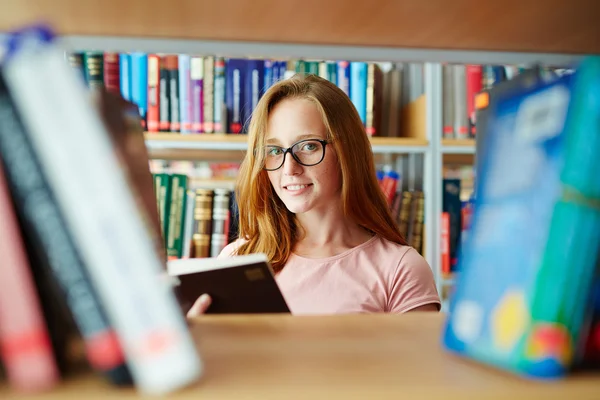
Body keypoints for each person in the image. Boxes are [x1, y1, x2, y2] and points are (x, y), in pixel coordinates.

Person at [188, 74, 441, 317]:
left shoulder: (400, 269)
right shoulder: (237, 262)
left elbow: (414, 363)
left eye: (308, 146)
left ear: (347, 150)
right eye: (274, 150)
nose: (289, 169)